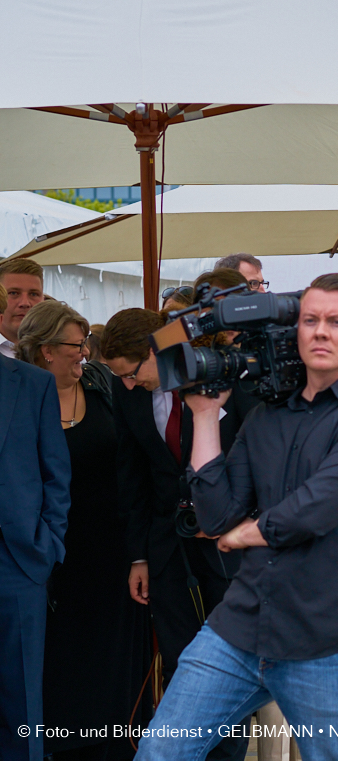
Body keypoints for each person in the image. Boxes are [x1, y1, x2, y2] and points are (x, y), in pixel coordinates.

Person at [136, 274, 338, 759]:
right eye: (310, 320)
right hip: (239, 626)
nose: (320, 332)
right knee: (161, 751)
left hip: (325, 638)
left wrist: (250, 534)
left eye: (336, 322)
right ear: (295, 329)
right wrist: (204, 416)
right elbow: (217, 513)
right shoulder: (268, 414)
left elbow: (317, 507)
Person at [102, 306, 255, 761]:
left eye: (132, 373)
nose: (127, 384)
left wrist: (238, 518)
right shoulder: (125, 389)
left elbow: (260, 456)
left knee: (230, 667)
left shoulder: (223, 378)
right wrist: (139, 557)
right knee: (180, 664)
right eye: (120, 377)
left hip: (229, 549)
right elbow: (133, 475)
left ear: (157, 351)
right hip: (166, 551)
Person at [17, 300, 150, 759]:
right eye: (76, 346)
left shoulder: (104, 386)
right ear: (44, 350)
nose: (84, 354)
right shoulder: (17, 399)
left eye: (85, 344)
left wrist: (139, 549)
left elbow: (135, 461)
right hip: (46, 557)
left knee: (111, 666)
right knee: (57, 666)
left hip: (113, 555)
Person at [0, 288, 70, 761]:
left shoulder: (31, 383)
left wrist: (45, 547)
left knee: (22, 703)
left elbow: (55, 475)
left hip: (18, 560)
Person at [0, 258, 46, 358]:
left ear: (43, 299)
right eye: (13, 293)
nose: (25, 303)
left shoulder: (62, 353)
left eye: (33, 294)